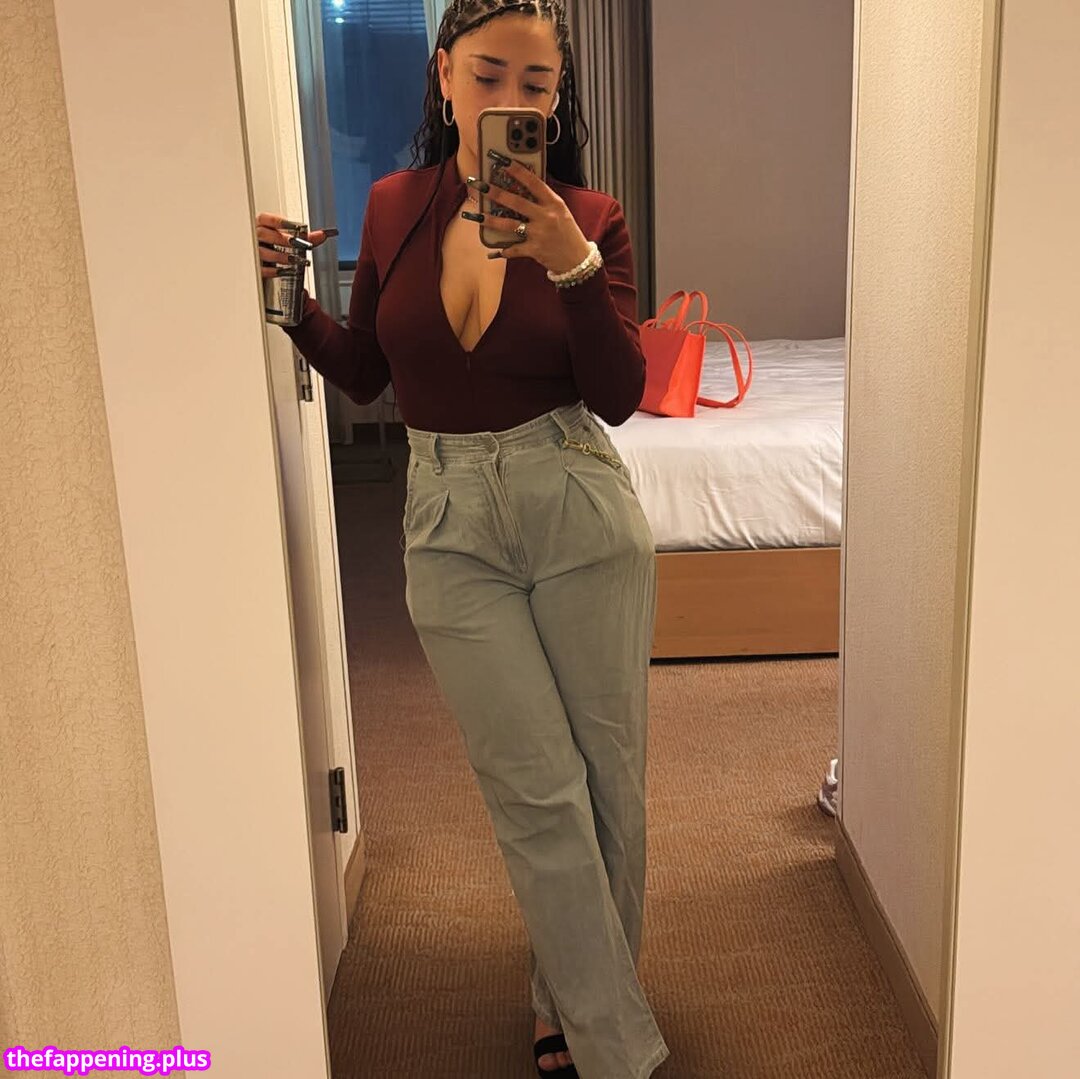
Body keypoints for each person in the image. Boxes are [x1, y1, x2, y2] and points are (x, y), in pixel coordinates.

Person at [257, 2, 669, 1075]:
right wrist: (288, 299)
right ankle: (618, 1045)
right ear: (443, 77)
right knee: (534, 787)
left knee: (607, 783)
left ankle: (568, 1004)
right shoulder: (393, 206)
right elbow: (366, 373)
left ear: (557, 101)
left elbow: (619, 395)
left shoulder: (592, 216)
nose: (510, 102)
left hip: (575, 499)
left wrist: (574, 266)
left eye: (536, 86)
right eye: (488, 77)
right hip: (447, 520)